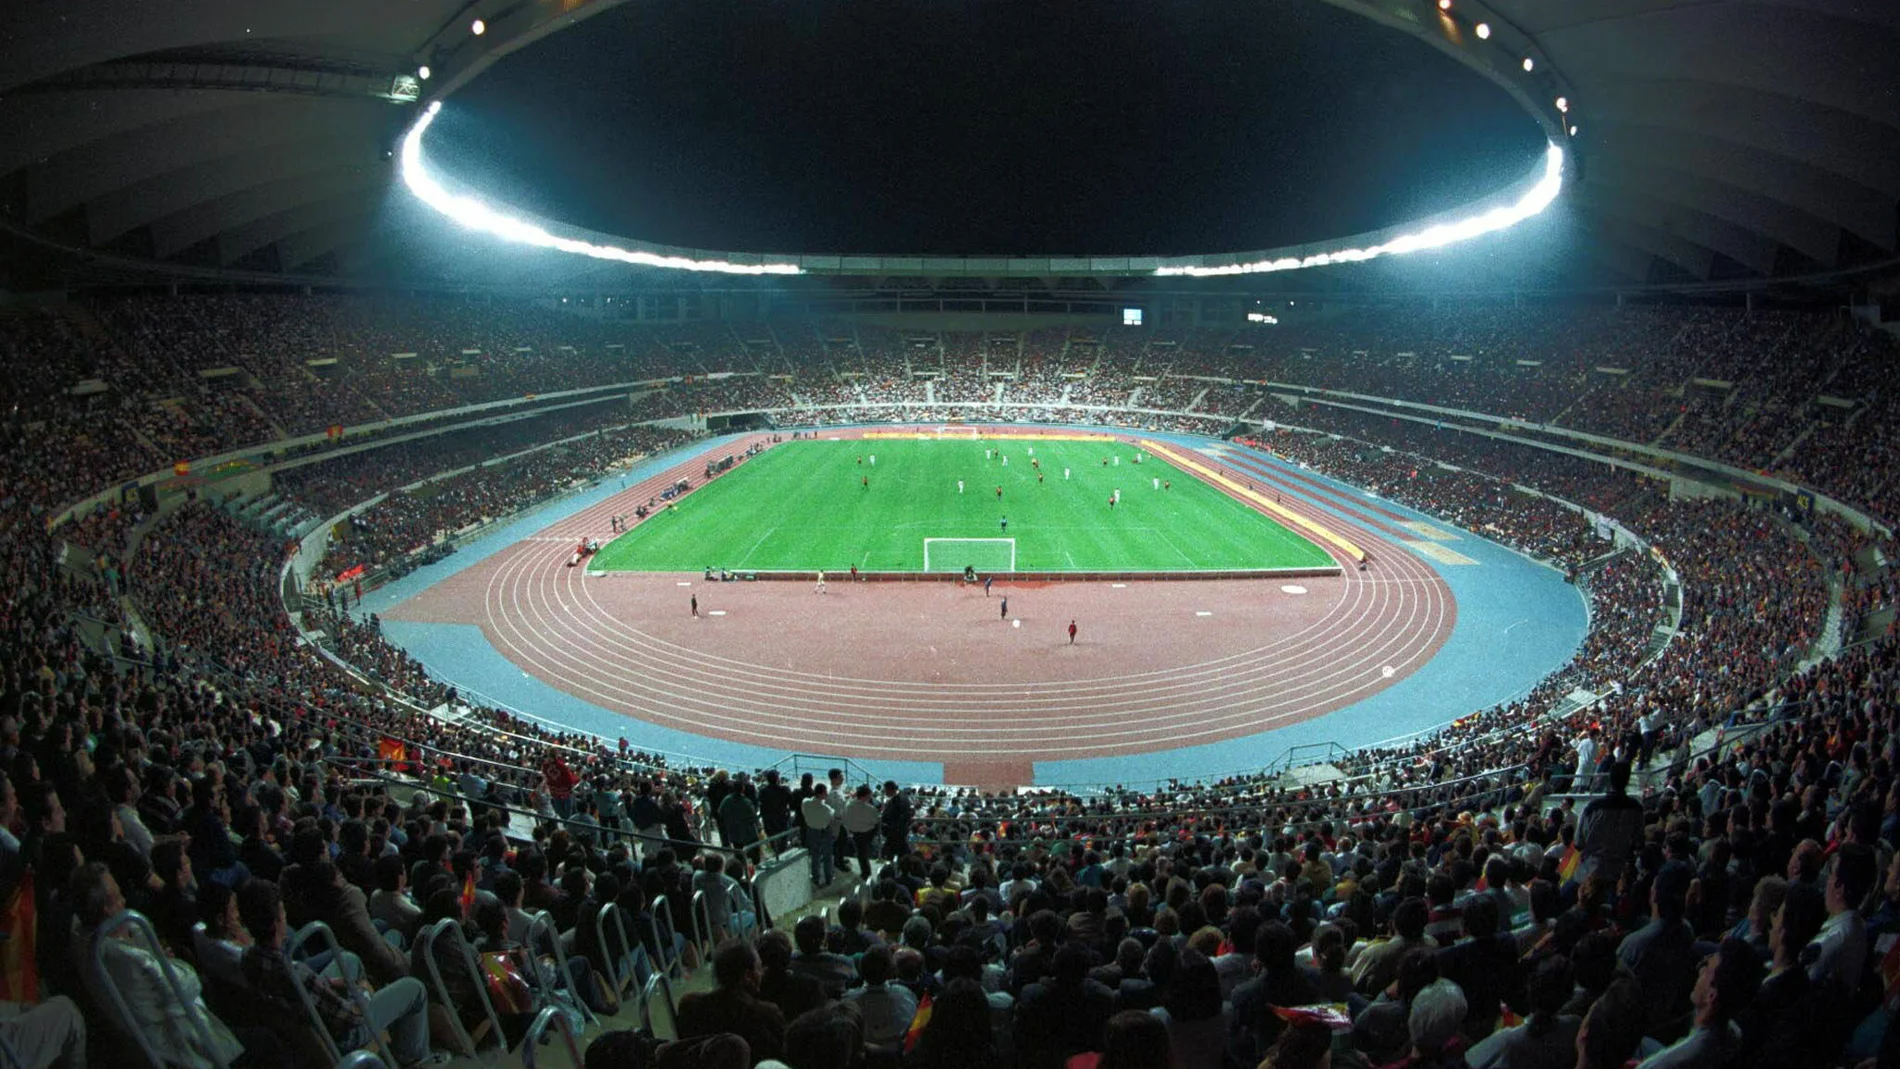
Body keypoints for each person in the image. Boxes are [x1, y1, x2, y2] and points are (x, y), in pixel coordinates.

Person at [236, 879, 434, 1068]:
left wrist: (328, 985)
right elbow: (352, 1018)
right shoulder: (295, 973)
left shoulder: (248, 957)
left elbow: (305, 991)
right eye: (282, 910)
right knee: (414, 988)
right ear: (276, 921)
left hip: (305, 1016)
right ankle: (411, 1057)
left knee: (349, 959)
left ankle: (384, 1012)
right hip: (341, 1034)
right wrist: (362, 992)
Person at [1633, 938, 1759, 1069]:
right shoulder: (1734, 1033)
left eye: (1706, 969)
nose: (1700, 971)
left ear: (1711, 996)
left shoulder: (1676, 1059)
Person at [676, 940, 786, 1064]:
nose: (762, 973)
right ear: (748, 976)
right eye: (759, 968)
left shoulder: (690, 1006)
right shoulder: (766, 1014)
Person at [799, 785, 835, 888]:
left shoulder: (805, 802)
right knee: (827, 855)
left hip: (811, 830)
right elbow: (831, 818)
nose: (827, 794)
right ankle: (828, 878)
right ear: (820, 794)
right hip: (824, 832)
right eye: (825, 792)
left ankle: (816, 878)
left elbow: (804, 812)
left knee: (815, 855)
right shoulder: (826, 809)